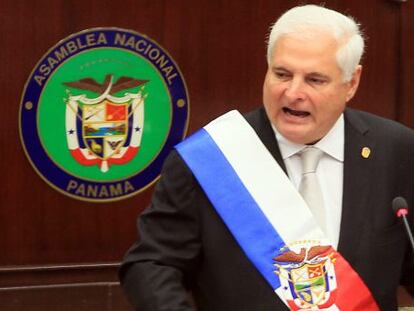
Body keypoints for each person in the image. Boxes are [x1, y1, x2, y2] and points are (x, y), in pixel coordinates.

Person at [119, 4, 414, 310]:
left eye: (314, 80)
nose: (292, 93)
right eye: (282, 74)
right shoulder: (212, 159)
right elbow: (151, 264)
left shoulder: (396, 150)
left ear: (351, 83)